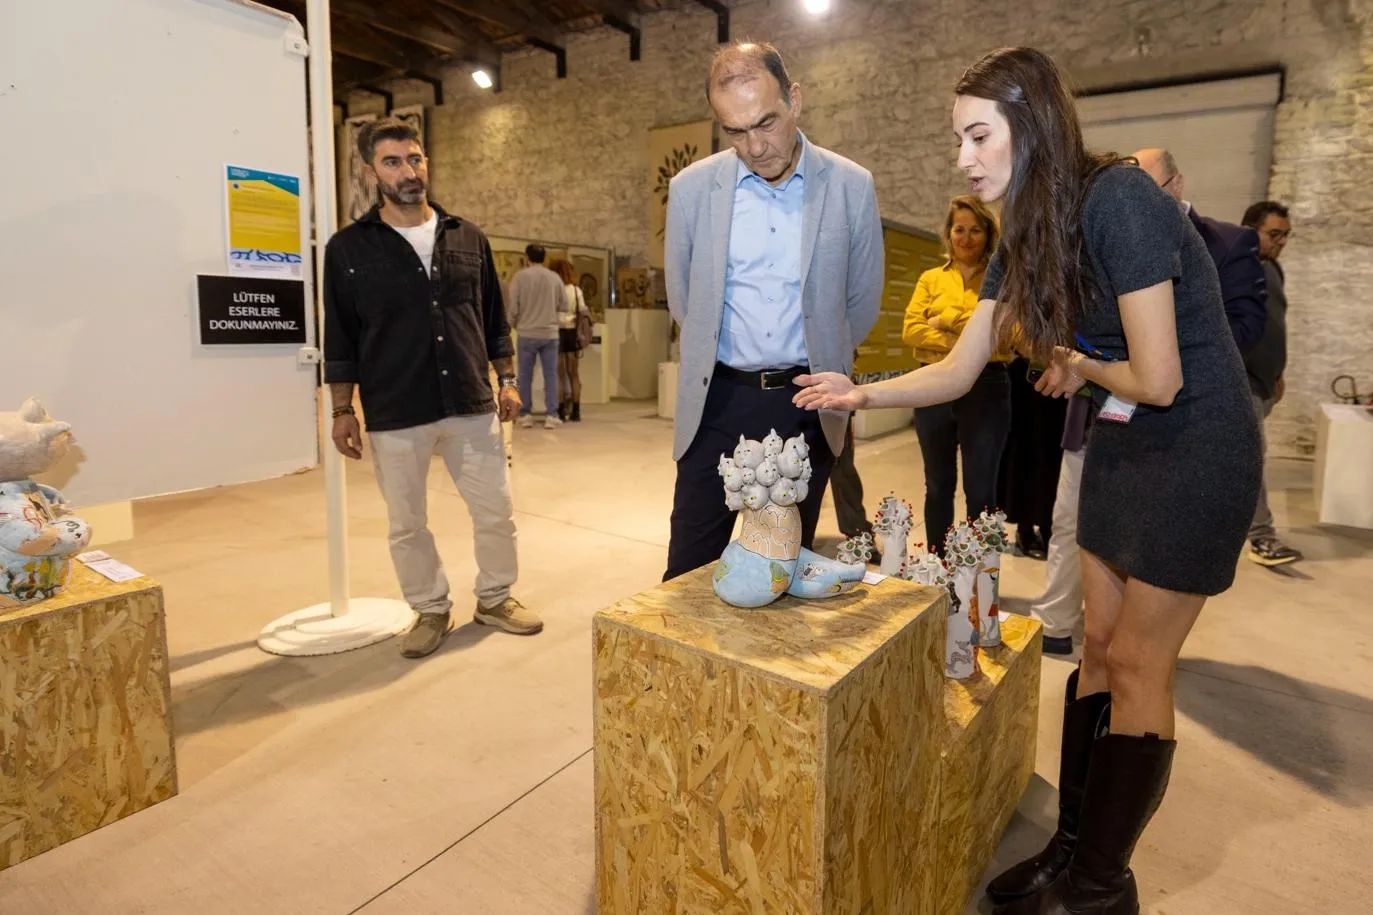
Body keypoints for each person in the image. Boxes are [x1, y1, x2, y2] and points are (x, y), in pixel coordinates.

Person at [795, 48, 1261, 915]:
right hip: (1124, 444)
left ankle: (1100, 884)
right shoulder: (1024, 236)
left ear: (1032, 123)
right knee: (1095, 649)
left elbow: (1158, 378)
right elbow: (958, 367)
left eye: (979, 135)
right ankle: (1071, 846)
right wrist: (859, 391)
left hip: (1195, 446)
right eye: (958, 139)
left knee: (1137, 661)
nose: (963, 158)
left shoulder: (1118, 198)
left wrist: (1077, 362)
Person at [1029, 148, 1270, 655]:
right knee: (1078, 556)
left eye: (1146, 186)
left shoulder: (1228, 243)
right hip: (1108, 417)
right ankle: (1058, 624)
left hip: (1186, 423)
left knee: (1137, 653)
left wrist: (1150, 348)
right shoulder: (1090, 235)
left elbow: (1239, 329)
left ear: (1176, 186)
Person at [661, 40, 883, 581]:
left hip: (805, 402)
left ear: (795, 100)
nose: (755, 147)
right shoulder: (691, 190)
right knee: (688, 571)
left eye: (766, 123)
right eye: (735, 131)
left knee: (779, 574)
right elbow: (685, 299)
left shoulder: (850, 185)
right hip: (715, 404)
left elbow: (861, 301)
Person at [323, 117, 543, 658]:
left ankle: (495, 598)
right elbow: (341, 334)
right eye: (393, 162)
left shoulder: (467, 236)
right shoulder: (349, 249)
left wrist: (507, 380)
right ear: (371, 172)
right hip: (396, 407)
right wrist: (342, 409)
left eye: (415, 158)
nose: (409, 171)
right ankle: (429, 609)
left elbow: (493, 319)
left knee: (495, 511)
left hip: (470, 400)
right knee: (407, 524)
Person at [902, 195, 1011, 556]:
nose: (966, 238)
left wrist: (946, 318)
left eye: (975, 230)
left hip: (987, 387)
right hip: (933, 386)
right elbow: (911, 331)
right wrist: (972, 337)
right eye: (959, 229)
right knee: (937, 486)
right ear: (948, 233)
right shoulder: (930, 278)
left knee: (981, 490)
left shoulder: (1003, 281)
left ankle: (979, 572)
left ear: (988, 234)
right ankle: (938, 565)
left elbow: (1008, 336)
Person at [1241, 200, 1303, 567]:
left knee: (1237, 460)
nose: (1281, 242)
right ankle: (1261, 537)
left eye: (1286, 235)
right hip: (1242, 382)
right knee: (1252, 457)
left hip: (1265, 384)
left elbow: (1276, 325)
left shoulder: (1274, 269)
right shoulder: (1235, 267)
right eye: (1274, 234)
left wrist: (1278, 373)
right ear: (1251, 230)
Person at [509, 244, 565, 430]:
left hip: (526, 331)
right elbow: (564, 305)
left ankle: (525, 414)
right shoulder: (554, 277)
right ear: (545, 258)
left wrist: (513, 323)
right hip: (550, 332)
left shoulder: (520, 277)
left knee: (525, 375)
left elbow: (513, 307)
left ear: (527, 257)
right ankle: (551, 415)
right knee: (551, 375)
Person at [551, 258, 589, 423]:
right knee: (574, 374)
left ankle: (560, 411)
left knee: (559, 375)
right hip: (572, 332)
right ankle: (576, 411)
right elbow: (583, 310)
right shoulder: (576, 290)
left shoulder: (553, 289)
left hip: (556, 332)